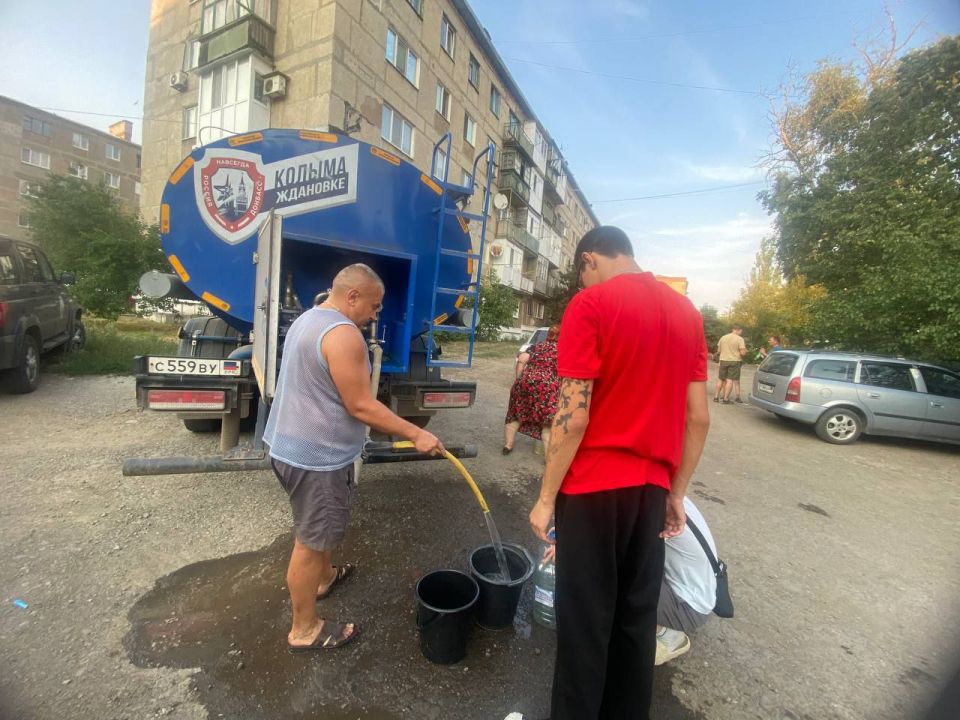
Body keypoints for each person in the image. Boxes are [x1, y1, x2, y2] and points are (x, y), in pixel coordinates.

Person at [528, 226, 710, 720]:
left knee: (584, 624)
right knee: (635, 621)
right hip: (650, 494)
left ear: (589, 260)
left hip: (592, 491)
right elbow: (698, 418)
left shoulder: (591, 305)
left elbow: (573, 415)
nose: (582, 284)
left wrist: (546, 498)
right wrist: (676, 493)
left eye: (581, 275)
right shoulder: (687, 314)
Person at [262, 263, 444, 653]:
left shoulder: (308, 319)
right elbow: (361, 405)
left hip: (290, 445)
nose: (375, 315)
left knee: (319, 529)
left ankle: (325, 576)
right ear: (353, 296)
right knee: (310, 542)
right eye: (374, 306)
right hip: (316, 458)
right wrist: (417, 433)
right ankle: (304, 629)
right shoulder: (344, 335)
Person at [655, 496, 718, 665]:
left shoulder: (652, 503)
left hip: (687, 606)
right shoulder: (668, 493)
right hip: (699, 589)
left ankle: (669, 636)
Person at [503, 324, 561, 455]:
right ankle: (549, 458)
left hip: (526, 382)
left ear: (548, 335)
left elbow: (521, 360)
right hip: (548, 388)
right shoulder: (563, 351)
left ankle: (508, 445)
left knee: (515, 414)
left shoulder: (537, 346)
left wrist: (519, 379)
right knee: (547, 423)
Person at [714, 325, 747, 404]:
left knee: (720, 379)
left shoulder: (723, 337)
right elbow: (743, 353)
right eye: (741, 331)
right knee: (730, 380)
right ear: (738, 330)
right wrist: (745, 351)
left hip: (723, 360)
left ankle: (716, 397)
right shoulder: (740, 339)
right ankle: (726, 399)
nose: (741, 333)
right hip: (734, 361)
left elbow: (718, 350)